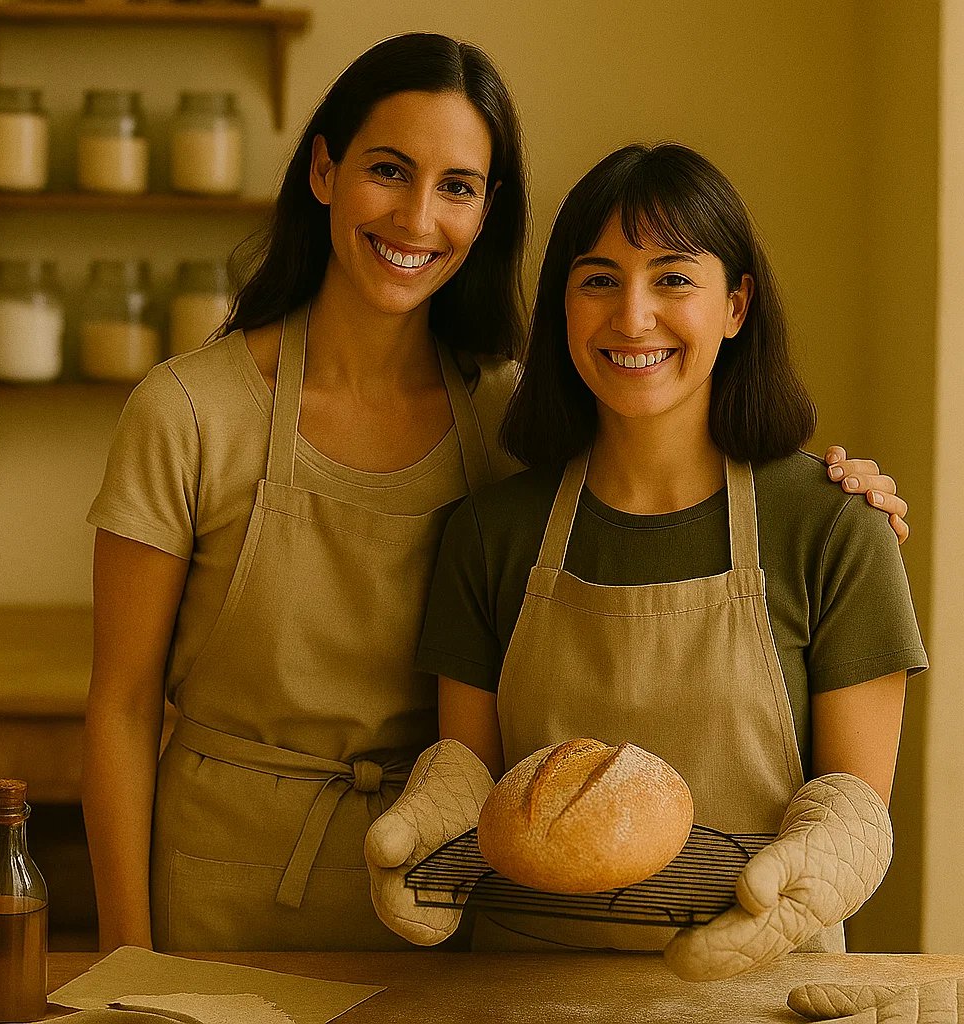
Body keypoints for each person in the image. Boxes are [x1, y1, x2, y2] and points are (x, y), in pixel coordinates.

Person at [82, 30, 905, 953]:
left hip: (442, 901)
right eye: (388, 170)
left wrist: (842, 499)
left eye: (458, 187)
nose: (417, 217)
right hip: (223, 879)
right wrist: (125, 960)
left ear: (486, 211)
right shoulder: (188, 412)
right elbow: (121, 706)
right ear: (322, 170)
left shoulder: (506, 417)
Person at [366, 143, 926, 959]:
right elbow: (473, 778)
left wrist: (794, 889)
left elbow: (852, 806)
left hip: (757, 994)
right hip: (519, 992)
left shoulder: (834, 527)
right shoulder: (490, 531)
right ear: (563, 307)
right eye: (598, 280)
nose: (632, 318)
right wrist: (427, 827)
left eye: (673, 279)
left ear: (736, 305)